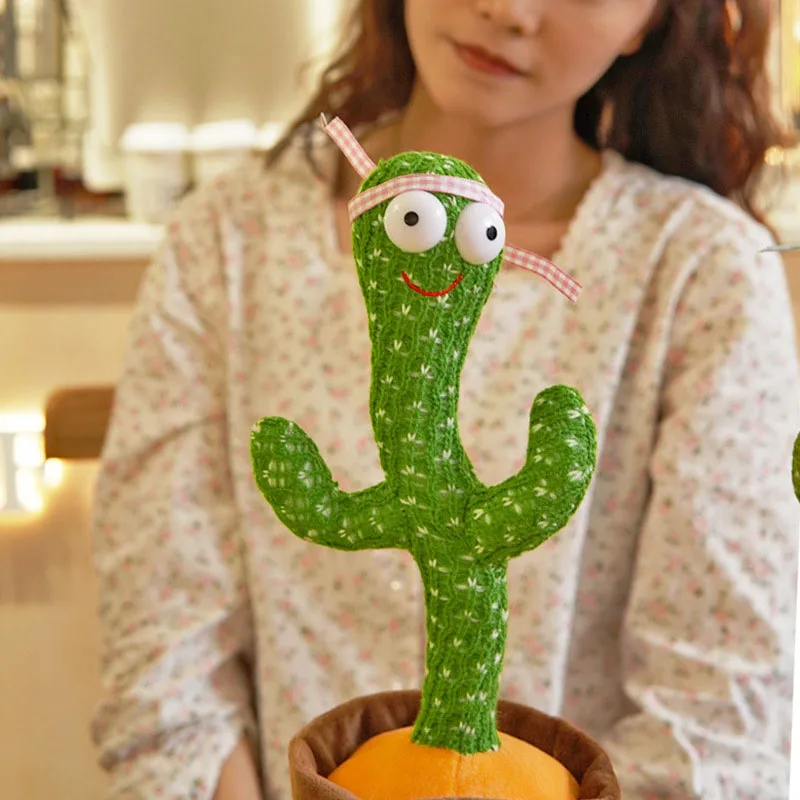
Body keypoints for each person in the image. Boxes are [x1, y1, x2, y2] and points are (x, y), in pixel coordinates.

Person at [90, 1, 800, 799]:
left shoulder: (705, 268)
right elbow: (165, 657)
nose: (508, 9)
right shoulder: (225, 239)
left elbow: (716, 714)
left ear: (652, 18)